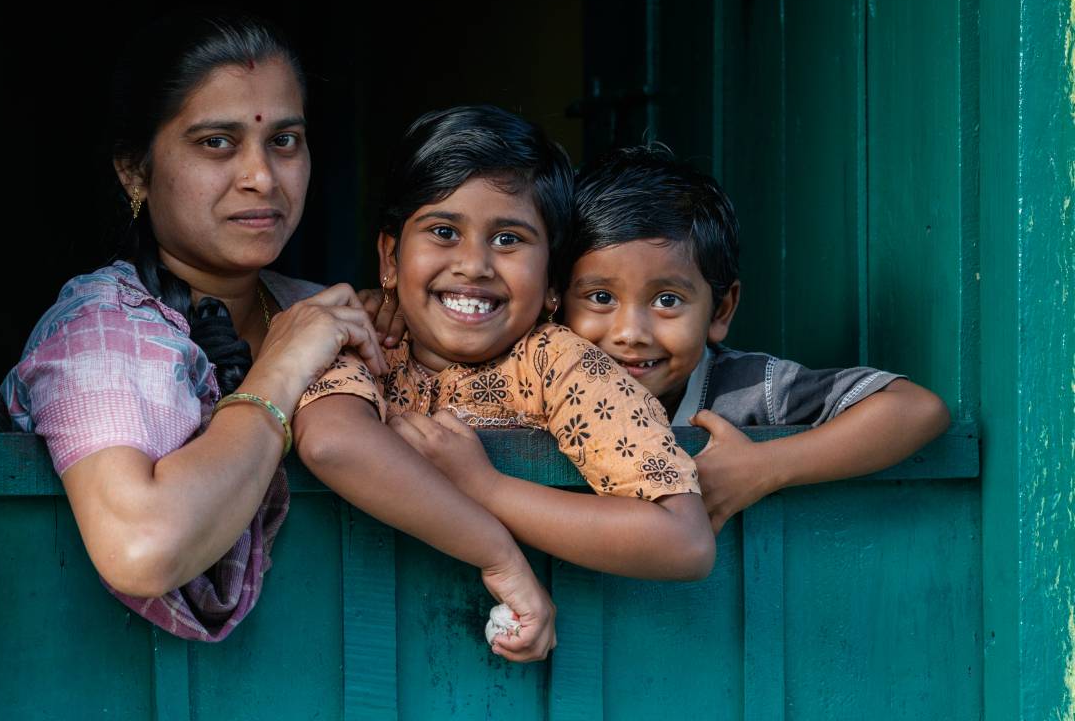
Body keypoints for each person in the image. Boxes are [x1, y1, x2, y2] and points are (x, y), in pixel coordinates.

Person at [0, 9, 402, 641]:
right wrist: (281, 370)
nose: (261, 177)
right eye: (216, 142)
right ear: (134, 170)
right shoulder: (98, 334)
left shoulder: (317, 307)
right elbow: (141, 546)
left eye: (284, 141)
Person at [294, 106, 716, 609]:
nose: (474, 265)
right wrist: (499, 556)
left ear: (553, 282)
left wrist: (488, 488)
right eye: (444, 232)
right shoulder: (359, 345)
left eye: (508, 239)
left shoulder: (564, 367)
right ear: (390, 258)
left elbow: (685, 542)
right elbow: (330, 445)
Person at [560, 145, 952, 533]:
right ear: (556, 299)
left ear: (720, 311)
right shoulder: (531, 385)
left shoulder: (752, 388)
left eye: (667, 300)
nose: (630, 333)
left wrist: (765, 467)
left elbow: (916, 409)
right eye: (601, 298)